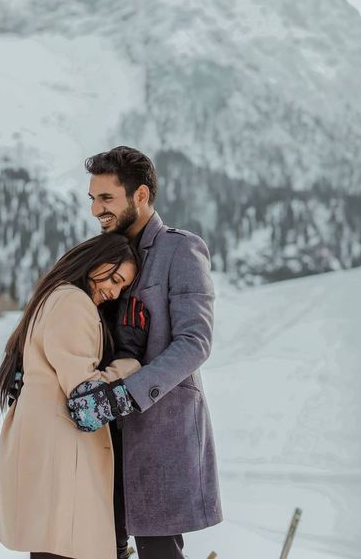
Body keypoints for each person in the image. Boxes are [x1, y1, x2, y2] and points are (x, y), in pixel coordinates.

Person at [78, 146, 223, 559]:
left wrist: (128, 394)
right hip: (103, 433)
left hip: (159, 430)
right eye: (92, 198)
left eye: (106, 198)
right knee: (101, 546)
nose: (95, 210)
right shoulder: (100, 253)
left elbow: (195, 342)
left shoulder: (181, 250)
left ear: (140, 196)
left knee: (159, 551)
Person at [0, 232, 150, 559]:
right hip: (61, 457)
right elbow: (87, 404)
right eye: (113, 278)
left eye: (122, 286)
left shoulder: (51, 297)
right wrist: (130, 360)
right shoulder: (73, 302)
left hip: (43, 453)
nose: (113, 291)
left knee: (49, 549)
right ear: (93, 261)